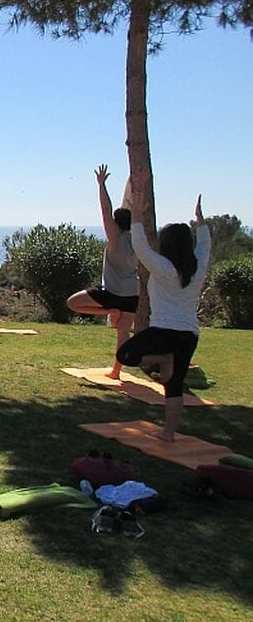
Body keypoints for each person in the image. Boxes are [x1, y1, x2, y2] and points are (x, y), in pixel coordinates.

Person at [115, 195, 210, 442]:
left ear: (167, 245)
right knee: (174, 384)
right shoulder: (197, 269)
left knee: (125, 355)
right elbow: (205, 245)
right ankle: (168, 433)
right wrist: (200, 221)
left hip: (163, 331)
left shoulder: (164, 268)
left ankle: (163, 358)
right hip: (189, 335)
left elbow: (139, 245)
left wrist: (136, 213)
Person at [66, 165, 139, 378]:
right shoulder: (138, 240)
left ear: (116, 224)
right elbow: (133, 211)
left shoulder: (115, 239)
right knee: (123, 333)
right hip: (132, 294)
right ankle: (116, 371)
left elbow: (105, 211)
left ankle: (108, 311)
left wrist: (101, 185)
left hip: (112, 293)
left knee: (72, 303)